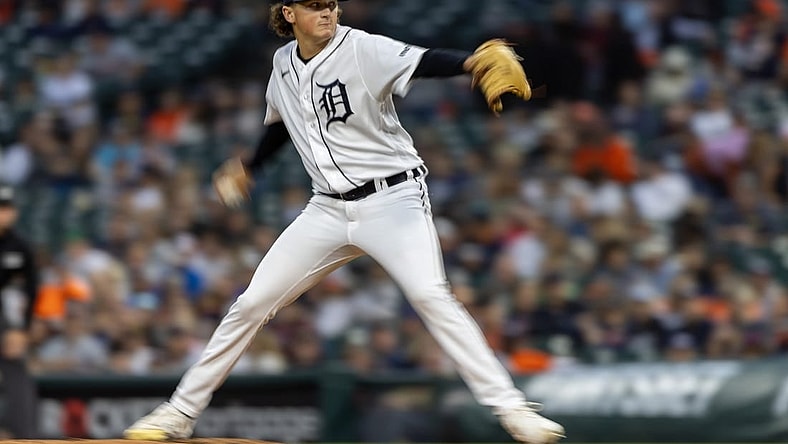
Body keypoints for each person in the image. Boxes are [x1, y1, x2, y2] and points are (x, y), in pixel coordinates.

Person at [124, 1, 564, 443]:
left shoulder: (361, 48)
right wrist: (251, 165)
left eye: (330, 4)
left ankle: (512, 410)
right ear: (289, 13)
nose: (327, 12)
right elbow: (284, 122)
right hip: (327, 209)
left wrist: (470, 62)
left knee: (431, 295)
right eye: (314, 6)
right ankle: (180, 412)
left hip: (393, 201)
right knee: (252, 303)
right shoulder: (283, 63)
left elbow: (421, 59)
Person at [0, 184, 39, 438]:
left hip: (5, 317)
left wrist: (21, 329)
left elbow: (30, 290)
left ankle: (24, 437)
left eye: (6, 208)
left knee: (18, 373)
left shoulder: (20, 246)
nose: (2, 213)